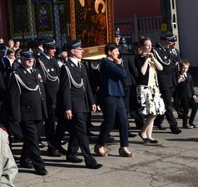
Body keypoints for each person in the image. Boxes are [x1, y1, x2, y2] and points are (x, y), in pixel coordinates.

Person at [57, 40, 102, 170]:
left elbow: (86, 85)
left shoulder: (81, 66)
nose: (82, 51)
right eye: (80, 49)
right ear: (73, 51)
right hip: (75, 105)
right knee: (82, 132)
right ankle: (90, 160)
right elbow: (65, 90)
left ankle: (71, 153)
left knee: (77, 131)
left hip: (84, 103)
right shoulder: (66, 68)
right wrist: (68, 107)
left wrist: (92, 102)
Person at [8, 50, 48, 175]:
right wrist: (16, 116)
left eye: (31, 59)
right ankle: (39, 165)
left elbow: (42, 93)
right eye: (27, 59)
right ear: (21, 60)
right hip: (27, 113)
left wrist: (45, 110)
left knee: (33, 138)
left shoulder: (36, 71)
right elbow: (14, 97)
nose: (30, 61)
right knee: (33, 140)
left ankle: (25, 159)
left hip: (39, 111)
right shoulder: (16, 74)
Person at [94, 43, 133, 158]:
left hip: (118, 94)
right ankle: (99, 144)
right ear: (109, 52)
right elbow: (122, 74)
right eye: (116, 51)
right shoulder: (106, 63)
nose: (118, 53)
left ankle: (124, 146)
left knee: (124, 120)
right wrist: (119, 64)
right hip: (109, 94)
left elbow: (123, 74)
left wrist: (118, 64)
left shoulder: (113, 63)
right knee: (109, 120)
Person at [134, 36, 164, 144]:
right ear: (142, 46)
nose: (149, 48)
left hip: (154, 87)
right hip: (144, 87)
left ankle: (148, 135)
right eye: (147, 45)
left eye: (150, 45)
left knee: (155, 111)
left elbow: (161, 68)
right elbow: (142, 72)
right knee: (151, 112)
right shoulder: (138, 58)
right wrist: (146, 59)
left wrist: (153, 58)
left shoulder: (153, 56)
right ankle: (143, 132)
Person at [152, 32, 182, 134]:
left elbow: (175, 63)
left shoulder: (169, 49)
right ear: (164, 40)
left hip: (172, 79)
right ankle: (173, 125)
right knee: (168, 104)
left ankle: (157, 121)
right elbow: (165, 63)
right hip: (163, 80)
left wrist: (179, 74)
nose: (171, 44)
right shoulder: (156, 50)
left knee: (166, 104)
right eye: (170, 42)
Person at [36, 39, 61, 156]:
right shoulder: (40, 61)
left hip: (57, 96)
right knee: (50, 124)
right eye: (52, 48)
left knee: (60, 123)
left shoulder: (53, 60)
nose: (54, 50)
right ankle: (51, 147)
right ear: (45, 49)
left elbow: (58, 76)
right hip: (49, 98)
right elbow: (43, 83)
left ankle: (57, 144)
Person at [176, 59, 198, 128]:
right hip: (183, 95)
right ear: (180, 67)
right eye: (183, 68)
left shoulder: (188, 75)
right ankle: (185, 123)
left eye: (186, 68)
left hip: (190, 94)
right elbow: (176, 84)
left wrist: (193, 94)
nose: (184, 70)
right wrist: (179, 80)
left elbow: (191, 85)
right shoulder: (178, 74)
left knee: (195, 108)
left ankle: (191, 122)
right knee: (186, 110)